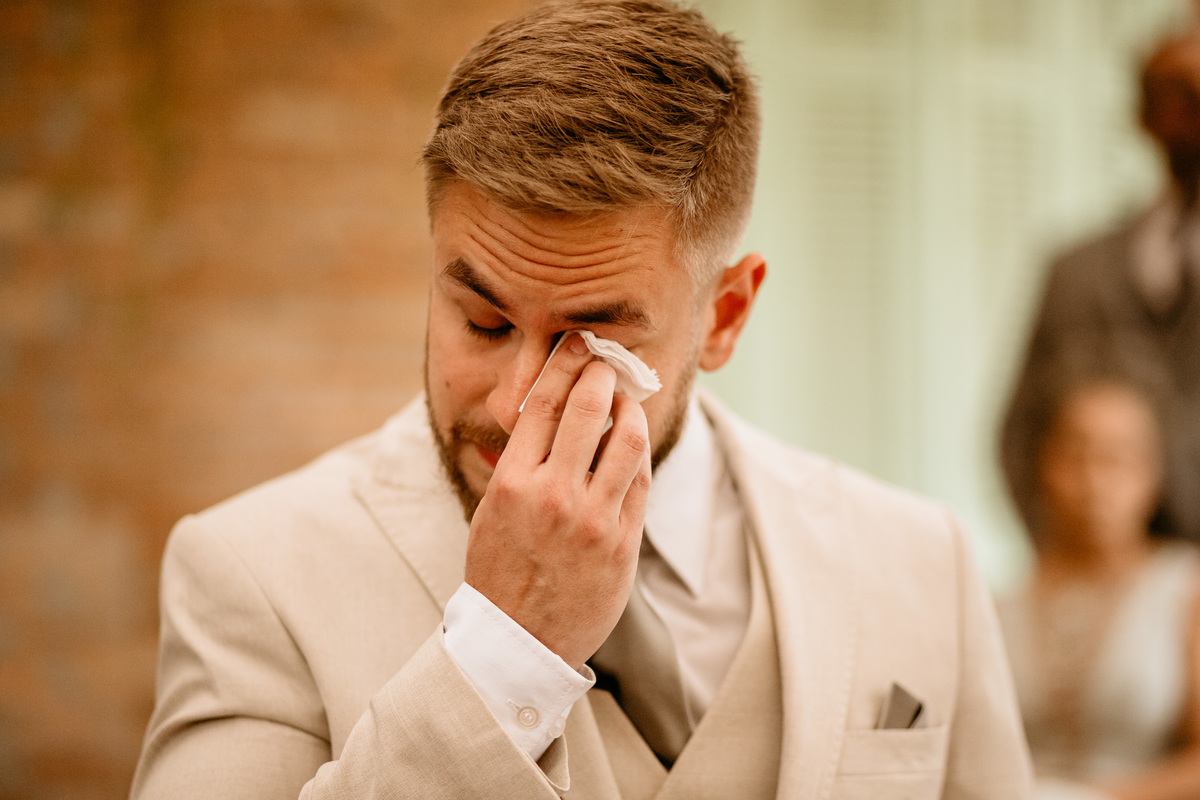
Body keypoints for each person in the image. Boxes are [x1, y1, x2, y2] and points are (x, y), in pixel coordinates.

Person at [130, 2, 1032, 797]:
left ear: (724, 316)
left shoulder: (918, 564)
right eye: (482, 321)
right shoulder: (252, 573)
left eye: (589, 340)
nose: (517, 403)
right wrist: (499, 659)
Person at [1001, 24, 1200, 545]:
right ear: (1142, 115)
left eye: (1196, 94)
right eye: (1169, 94)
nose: (1186, 113)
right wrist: (1078, 557)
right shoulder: (1076, 271)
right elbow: (1019, 433)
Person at [998, 374, 1200, 799]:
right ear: (1044, 466)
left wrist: (1089, 797)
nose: (1095, 480)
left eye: (1118, 458)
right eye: (1077, 456)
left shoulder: (1184, 589)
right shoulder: (1002, 602)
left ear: (1153, 473)